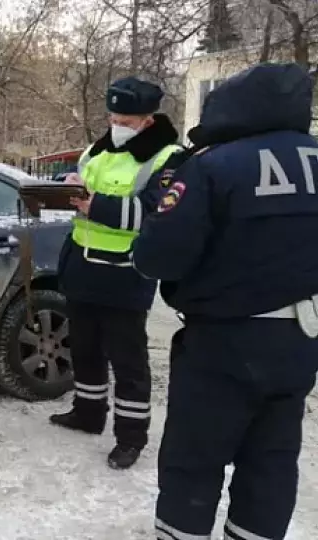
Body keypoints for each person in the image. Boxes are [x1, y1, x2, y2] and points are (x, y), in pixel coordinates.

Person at [132, 63, 318, 540]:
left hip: (223, 344)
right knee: (272, 464)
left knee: (194, 462)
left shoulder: (214, 165)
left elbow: (156, 258)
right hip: (300, 339)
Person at [49, 76, 183, 470]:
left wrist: (95, 206)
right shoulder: (98, 148)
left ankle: (130, 437)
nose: (117, 123)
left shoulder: (168, 157)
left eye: (125, 117)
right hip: (82, 267)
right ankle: (88, 413)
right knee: (85, 350)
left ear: (147, 119)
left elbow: (157, 214)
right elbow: (77, 181)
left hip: (125, 274)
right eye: (113, 115)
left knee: (128, 362)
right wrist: (63, 186)